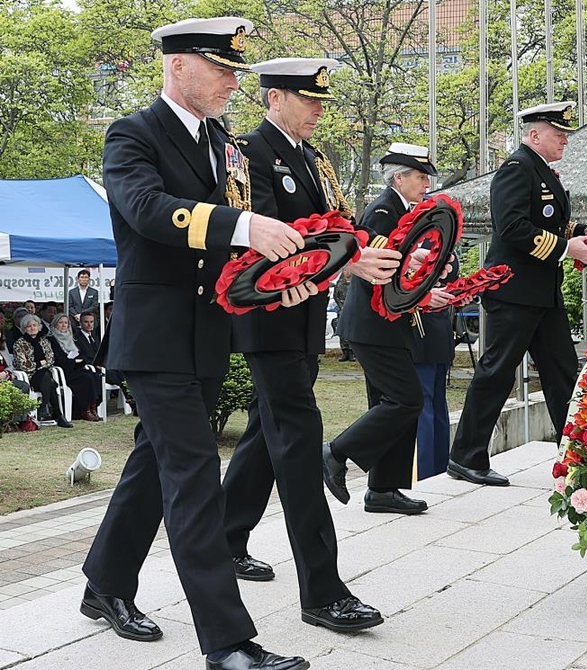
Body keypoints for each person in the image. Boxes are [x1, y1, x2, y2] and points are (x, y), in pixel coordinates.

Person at [80, 17, 315, 670]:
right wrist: (243, 223)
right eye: (221, 68)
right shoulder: (133, 134)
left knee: (155, 468)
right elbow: (147, 209)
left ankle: (104, 585)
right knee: (192, 476)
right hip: (154, 337)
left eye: (237, 71)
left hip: (208, 332)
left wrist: (279, 282)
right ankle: (228, 643)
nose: (232, 83)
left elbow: (243, 247)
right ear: (178, 64)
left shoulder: (226, 144)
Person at [221, 57, 393, 631]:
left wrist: (367, 257)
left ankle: (226, 536)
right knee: (298, 443)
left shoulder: (316, 161)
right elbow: (263, 244)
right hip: (270, 319)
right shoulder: (247, 155)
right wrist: (344, 260)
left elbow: (339, 229)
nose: (318, 108)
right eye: (307, 97)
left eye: (320, 99)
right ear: (274, 99)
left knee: (264, 434)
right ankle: (323, 592)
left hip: (305, 319)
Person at [447, 102, 587, 486]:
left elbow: (554, 223)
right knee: (497, 374)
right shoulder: (516, 169)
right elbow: (513, 226)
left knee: (564, 375)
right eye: (558, 132)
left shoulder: (543, 172)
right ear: (534, 135)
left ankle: (579, 459)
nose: (565, 138)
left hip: (542, 293)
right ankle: (466, 456)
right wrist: (568, 250)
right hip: (514, 291)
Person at [323, 142, 451, 513]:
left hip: (391, 323)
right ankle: (335, 452)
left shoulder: (405, 210)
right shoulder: (382, 210)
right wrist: (423, 281)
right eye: (420, 176)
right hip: (373, 324)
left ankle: (383, 489)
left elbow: (407, 266)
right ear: (400, 177)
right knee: (406, 399)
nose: (427, 183)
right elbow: (383, 271)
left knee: (390, 402)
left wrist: (429, 276)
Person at [412, 254, 460, 480]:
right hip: (439, 332)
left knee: (425, 406)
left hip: (421, 332)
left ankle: (425, 471)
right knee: (436, 404)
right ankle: (438, 468)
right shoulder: (446, 241)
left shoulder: (425, 240)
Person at [12, 314, 72, 428]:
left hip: (44, 375)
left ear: (39, 327)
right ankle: (58, 415)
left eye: (34, 325)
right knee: (49, 380)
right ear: (25, 328)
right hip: (29, 377)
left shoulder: (45, 341)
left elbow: (51, 359)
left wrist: (36, 365)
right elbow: (23, 365)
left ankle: (45, 407)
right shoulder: (19, 344)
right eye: (29, 326)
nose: (32, 328)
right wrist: (40, 363)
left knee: (46, 377)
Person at [48, 313, 102, 421]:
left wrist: (75, 361)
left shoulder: (71, 338)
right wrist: (74, 361)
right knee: (85, 379)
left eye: (66, 323)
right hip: (63, 372)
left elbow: (81, 355)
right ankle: (85, 410)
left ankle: (93, 407)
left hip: (75, 368)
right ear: (55, 324)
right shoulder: (51, 339)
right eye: (61, 323)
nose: (64, 325)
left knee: (94, 375)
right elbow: (59, 359)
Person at [333, 277, 355, 361]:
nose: (347, 272)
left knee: (352, 331)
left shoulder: (354, 283)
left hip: (353, 310)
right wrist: (341, 306)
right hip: (341, 310)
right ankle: (345, 352)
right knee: (342, 332)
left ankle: (352, 352)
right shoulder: (340, 283)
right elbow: (336, 296)